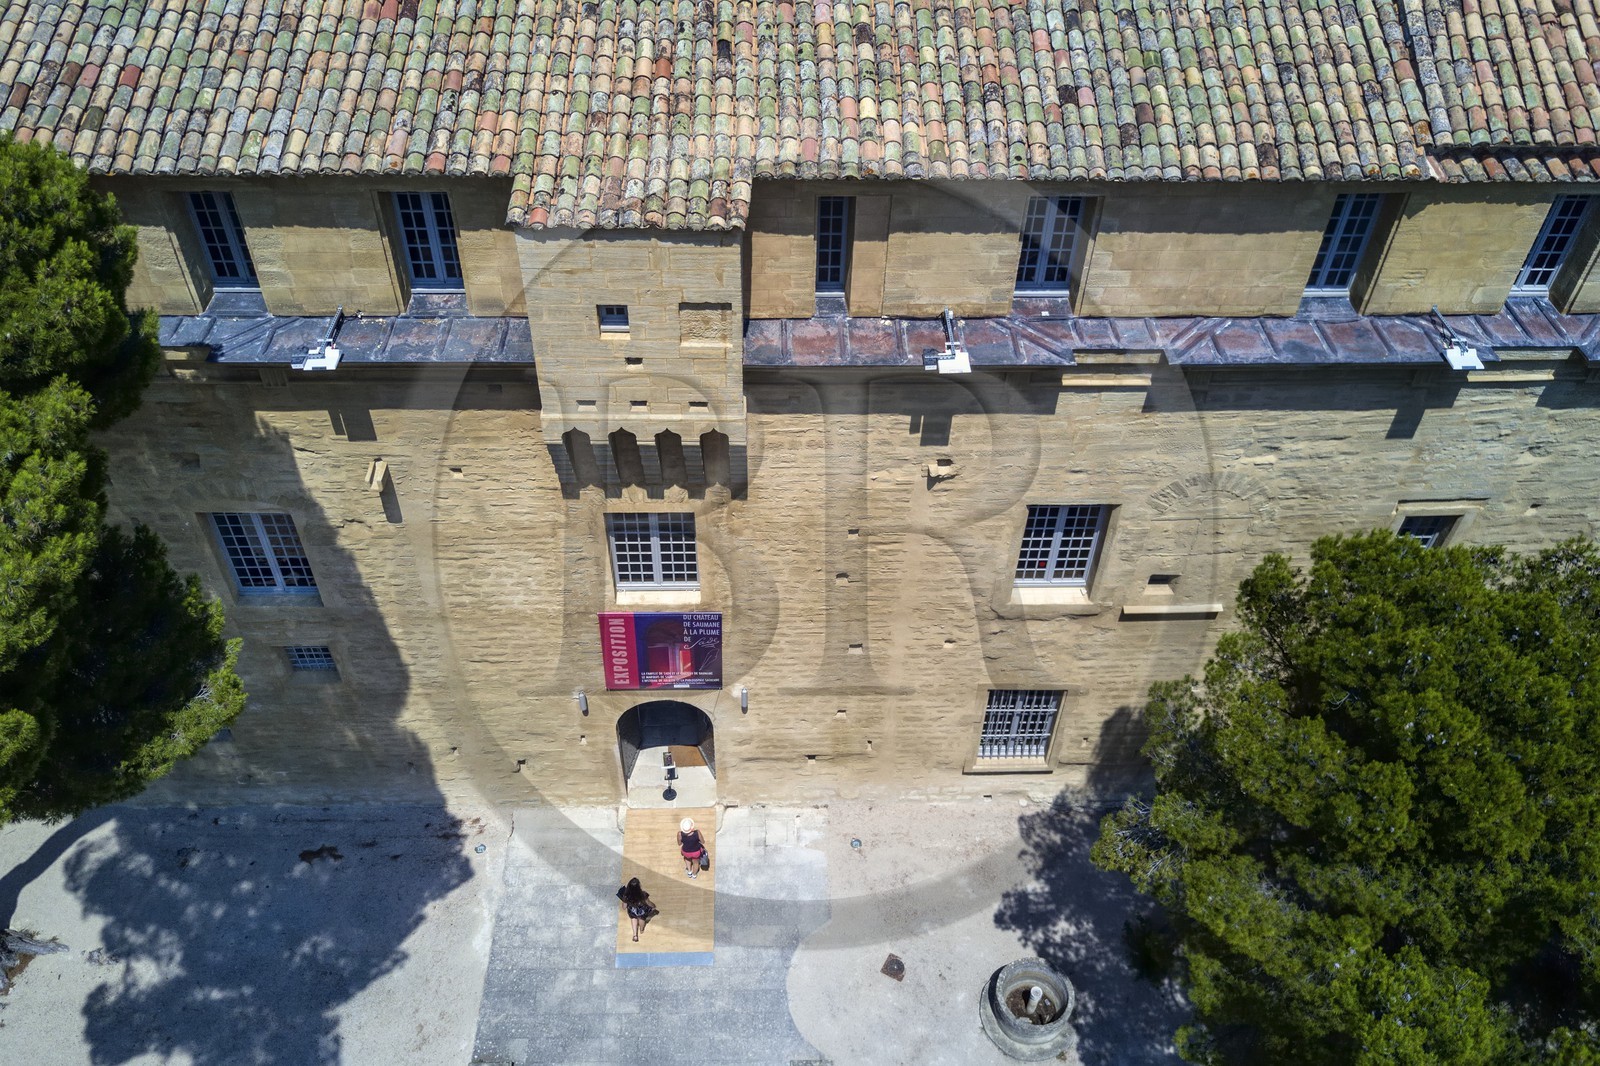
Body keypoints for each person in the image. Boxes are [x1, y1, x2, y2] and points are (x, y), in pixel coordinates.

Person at [616, 877, 652, 941]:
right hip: (642, 911)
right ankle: (641, 929)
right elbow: (649, 903)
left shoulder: (626, 896)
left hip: (632, 910)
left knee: (633, 919)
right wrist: (653, 906)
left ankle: (635, 935)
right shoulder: (643, 894)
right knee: (642, 919)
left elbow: (624, 907)